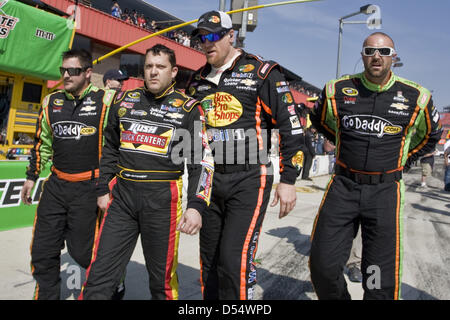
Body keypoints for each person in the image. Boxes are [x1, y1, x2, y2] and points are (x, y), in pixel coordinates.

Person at [309, 32, 442, 300]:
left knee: (377, 277)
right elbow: (321, 121)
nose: (376, 57)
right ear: (362, 56)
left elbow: (431, 136)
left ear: (394, 57)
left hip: (384, 193)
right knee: (323, 266)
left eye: (383, 51)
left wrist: (404, 159)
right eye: (369, 51)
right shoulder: (336, 89)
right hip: (343, 187)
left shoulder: (417, 96)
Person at [79, 44, 214, 300]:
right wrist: (102, 187)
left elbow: (201, 162)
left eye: (160, 67)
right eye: (149, 66)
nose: (153, 72)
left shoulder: (188, 109)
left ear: (173, 72)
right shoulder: (123, 100)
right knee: (98, 277)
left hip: (162, 201)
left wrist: (196, 205)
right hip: (122, 199)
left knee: (161, 283)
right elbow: (109, 148)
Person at [187, 11, 305, 300]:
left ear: (231, 36)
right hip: (211, 181)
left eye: (214, 36)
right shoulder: (196, 81)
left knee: (233, 260)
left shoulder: (262, 72)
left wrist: (289, 179)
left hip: (250, 178)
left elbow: (293, 128)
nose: (207, 43)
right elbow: (190, 140)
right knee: (210, 261)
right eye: (202, 38)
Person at [20, 49, 115, 300]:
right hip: (56, 186)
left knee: (84, 253)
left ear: (87, 73)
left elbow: (115, 146)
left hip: (89, 187)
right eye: (63, 70)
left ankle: (115, 282)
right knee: (42, 250)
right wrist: (32, 176)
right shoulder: (51, 102)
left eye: (72, 71)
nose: (66, 75)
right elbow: (43, 144)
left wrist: (106, 186)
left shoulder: (106, 100)